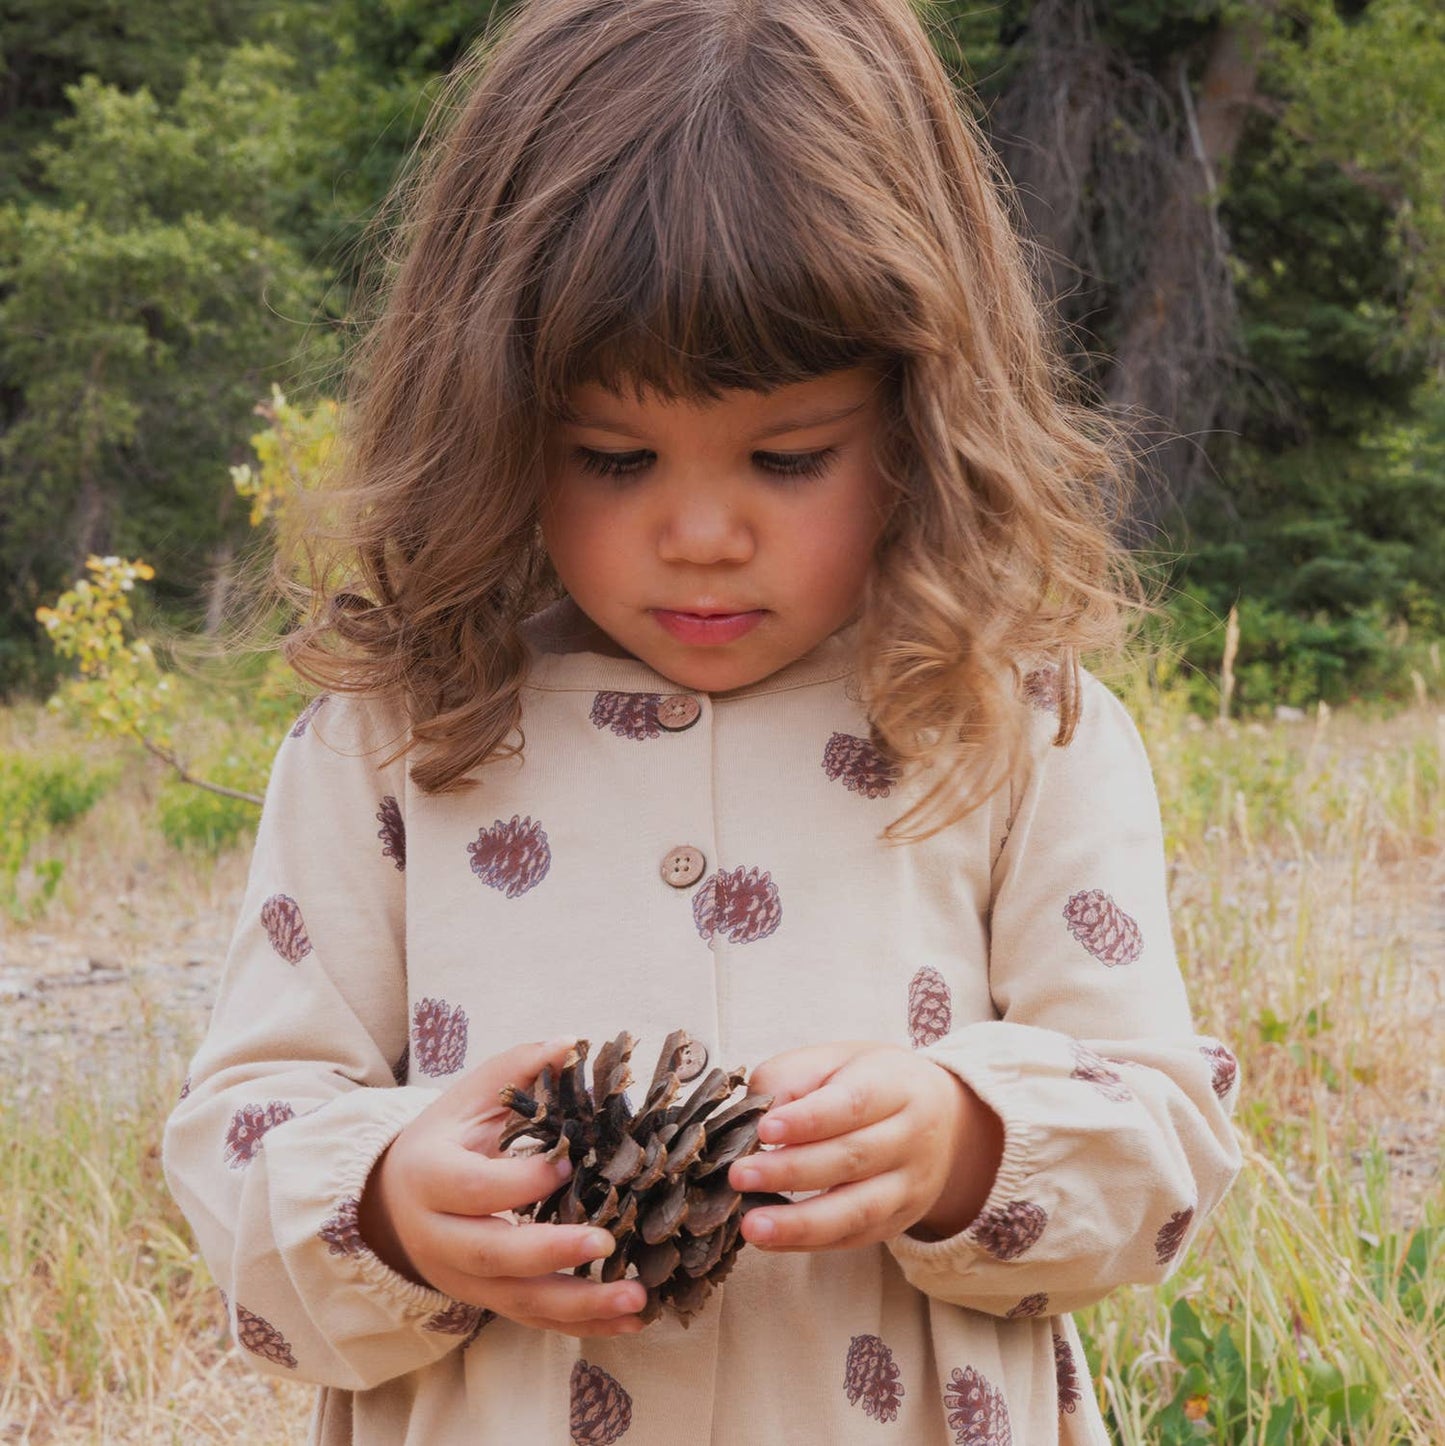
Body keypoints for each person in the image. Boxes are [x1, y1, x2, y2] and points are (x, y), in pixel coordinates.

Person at [163, 1, 1244, 1441]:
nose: (700, 533)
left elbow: (1162, 1148)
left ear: (924, 415)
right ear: (492, 423)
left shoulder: (1015, 729)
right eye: (613, 456)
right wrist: (389, 1202)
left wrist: (965, 1141)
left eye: (787, 458)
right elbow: (240, 1138)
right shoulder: (393, 742)